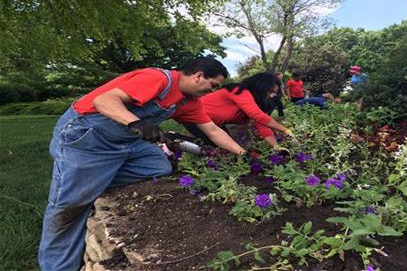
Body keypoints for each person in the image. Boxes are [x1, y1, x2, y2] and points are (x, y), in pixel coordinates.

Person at [38, 57, 246, 271]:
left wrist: (243, 154)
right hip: (87, 138)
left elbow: (212, 130)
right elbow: (104, 101)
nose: (212, 92)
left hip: (123, 142)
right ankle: (57, 266)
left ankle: (93, 179)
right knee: (69, 208)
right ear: (198, 76)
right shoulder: (157, 79)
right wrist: (135, 123)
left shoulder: (188, 102)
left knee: (158, 165)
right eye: (213, 86)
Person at [173, 72, 294, 149]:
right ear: (261, 86)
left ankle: (179, 142)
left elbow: (262, 125)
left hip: (214, 124)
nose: (273, 95)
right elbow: (257, 115)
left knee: (228, 147)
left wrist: (276, 147)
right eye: (271, 91)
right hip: (195, 118)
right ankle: (173, 140)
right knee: (217, 147)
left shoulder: (255, 102)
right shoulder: (239, 90)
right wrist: (284, 130)